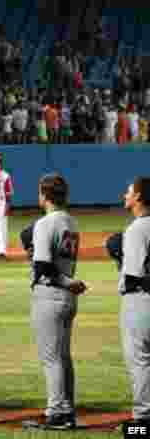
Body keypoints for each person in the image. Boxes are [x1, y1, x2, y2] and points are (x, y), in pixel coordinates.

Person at [24, 174, 86, 430]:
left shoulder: (45, 223)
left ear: (45, 195)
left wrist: (65, 282)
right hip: (67, 297)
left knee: (52, 357)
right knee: (62, 356)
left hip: (51, 294)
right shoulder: (71, 221)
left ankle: (58, 412)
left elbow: (42, 267)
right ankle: (66, 408)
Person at [118, 176, 150, 427]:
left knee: (139, 360)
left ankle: (142, 422)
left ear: (138, 196)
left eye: (129, 191)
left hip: (140, 301)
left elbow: (133, 276)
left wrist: (119, 260)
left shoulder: (137, 229)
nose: (125, 195)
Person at [0, 152, 13, 260]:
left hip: (1, 202)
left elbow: (8, 193)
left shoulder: (5, 175)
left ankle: (2, 251)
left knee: (1, 227)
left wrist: (7, 206)